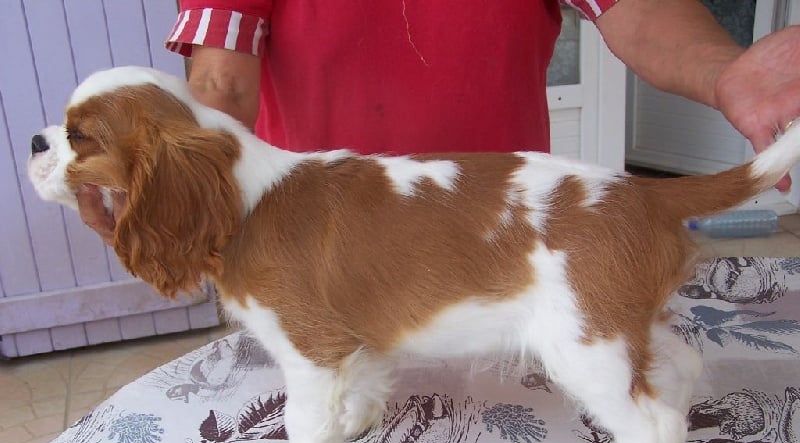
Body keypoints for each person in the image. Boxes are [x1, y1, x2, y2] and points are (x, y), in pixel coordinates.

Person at [78, 0, 800, 244]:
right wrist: (173, 185)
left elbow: (637, 12)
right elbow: (221, 83)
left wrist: (724, 71)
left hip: (500, 236)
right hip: (319, 244)